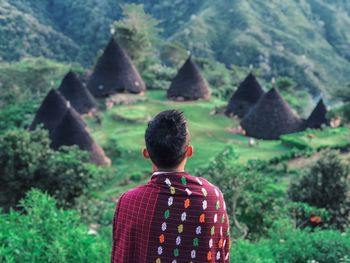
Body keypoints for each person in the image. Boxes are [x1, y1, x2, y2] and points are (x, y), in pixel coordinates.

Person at [111, 110, 230, 263]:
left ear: (146, 153)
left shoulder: (128, 202)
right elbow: (220, 254)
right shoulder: (212, 197)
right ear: (189, 152)